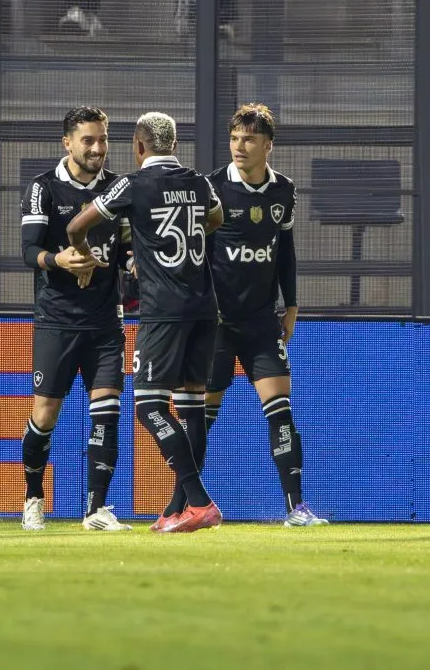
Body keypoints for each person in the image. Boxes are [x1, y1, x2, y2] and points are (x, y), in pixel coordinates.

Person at [67, 112, 224, 533]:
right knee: (191, 410)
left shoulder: (133, 184)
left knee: (149, 405)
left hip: (164, 310)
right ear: (173, 144)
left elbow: (76, 224)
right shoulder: (199, 181)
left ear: (139, 147)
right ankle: (178, 509)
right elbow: (216, 219)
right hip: (205, 307)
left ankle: (200, 502)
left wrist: (88, 255)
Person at [202, 103, 327, 527]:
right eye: (235, 138)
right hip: (216, 323)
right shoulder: (211, 188)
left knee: (281, 410)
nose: (240, 146)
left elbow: (285, 253)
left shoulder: (284, 190)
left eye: (249, 139)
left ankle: (296, 507)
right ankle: (187, 502)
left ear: (267, 145)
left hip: (260, 323)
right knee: (203, 416)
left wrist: (290, 306)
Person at [19, 107, 132, 532]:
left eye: (102, 139)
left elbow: (123, 247)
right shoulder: (43, 188)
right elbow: (28, 252)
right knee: (45, 415)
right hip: (57, 320)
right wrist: (59, 259)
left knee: (107, 413)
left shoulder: (120, 187)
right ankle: (33, 497)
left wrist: (134, 258)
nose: (98, 148)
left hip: (105, 322)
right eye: (88, 140)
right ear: (67, 142)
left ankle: (96, 509)